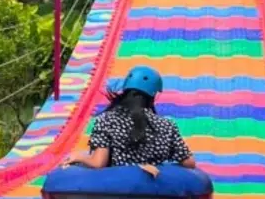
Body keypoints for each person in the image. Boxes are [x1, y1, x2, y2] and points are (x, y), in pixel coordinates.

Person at [62, 66, 196, 177]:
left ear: (125, 90)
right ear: (153, 95)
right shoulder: (167, 125)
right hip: (154, 190)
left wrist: (79, 157)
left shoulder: (107, 120)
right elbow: (189, 162)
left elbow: (99, 162)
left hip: (118, 189)